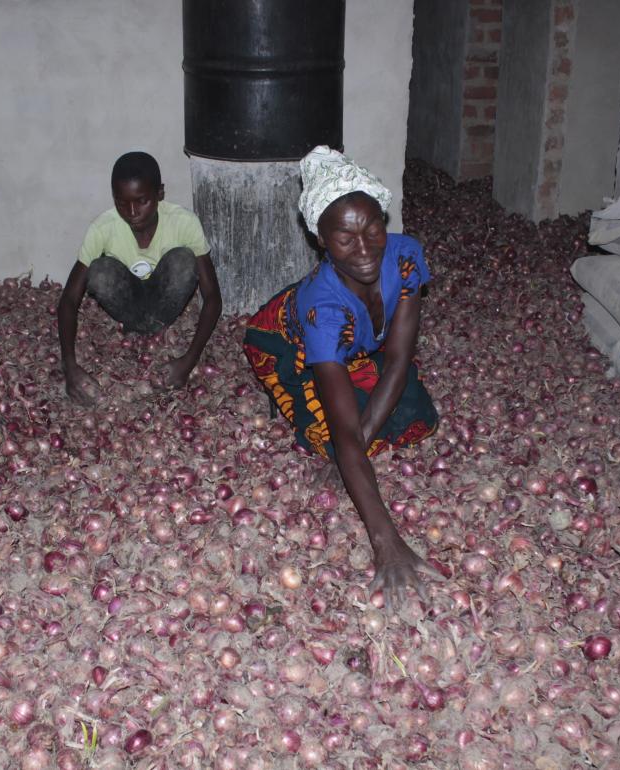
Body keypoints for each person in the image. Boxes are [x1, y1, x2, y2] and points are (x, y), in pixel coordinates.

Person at [244, 146, 441, 609]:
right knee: (329, 436)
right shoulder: (323, 309)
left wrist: (355, 443)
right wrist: (386, 542)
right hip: (281, 347)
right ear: (321, 241)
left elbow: (398, 358)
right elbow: (346, 432)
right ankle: (299, 395)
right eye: (345, 238)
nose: (365, 247)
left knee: (418, 416)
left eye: (372, 227)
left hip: (353, 349)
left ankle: (350, 416)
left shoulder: (405, 257)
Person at [57, 151, 222, 404]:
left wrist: (189, 360)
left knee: (183, 260)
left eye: (142, 201)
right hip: (129, 308)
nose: (132, 211)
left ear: (160, 194)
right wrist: (69, 367)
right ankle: (137, 328)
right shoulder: (103, 228)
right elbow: (69, 299)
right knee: (99, 270)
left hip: (164, 308)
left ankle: (154, 327)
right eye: (122, 203)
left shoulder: (184, 223)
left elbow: (212, 297)